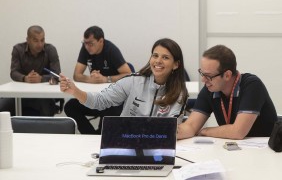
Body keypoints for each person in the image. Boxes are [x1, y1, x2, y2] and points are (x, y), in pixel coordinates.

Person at [60, 38, 188, 133]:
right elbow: (99, 101)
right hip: (124, 141)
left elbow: (172, 129)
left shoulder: (179, 93)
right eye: (155, 55)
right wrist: (75, 91)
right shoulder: (133, 81)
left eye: (165, 57)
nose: (158, 61)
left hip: (156, 146)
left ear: (176, 64)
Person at [177, 45, 277, 140]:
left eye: (208, 75)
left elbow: (238, 132)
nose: (203, 80)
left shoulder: (252, 85)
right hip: (232, 149)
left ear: (227, 75)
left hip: (265, 151)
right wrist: (168, 133)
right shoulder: (209, 89)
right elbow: (190, 126)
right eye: (202, 73)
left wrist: (205, 131)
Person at [64, 26, 132, 134]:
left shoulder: (111, 50)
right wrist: (89, 80)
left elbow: (128, 74)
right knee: (70, 106)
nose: (87, 46)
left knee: (108, 109)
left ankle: (99, 136)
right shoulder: (86, 48)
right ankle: (90, 135)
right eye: (85, 43)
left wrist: (106, 79)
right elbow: (76, 75)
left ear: (101, 41)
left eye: (91, 43)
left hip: (112, 99)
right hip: (94, 97)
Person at [10, 25, 61, 116]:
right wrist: (25, 78)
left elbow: (57, 74)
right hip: (22, 94)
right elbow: (14, 72)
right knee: (3, 106)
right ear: (28, 40)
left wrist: (41, 78)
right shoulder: (18, 49)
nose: (40, 44)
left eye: (42, 40)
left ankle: (46, 129)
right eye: (35, 40)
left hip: (44, 95)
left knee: (45, 107)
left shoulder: (50, 50)